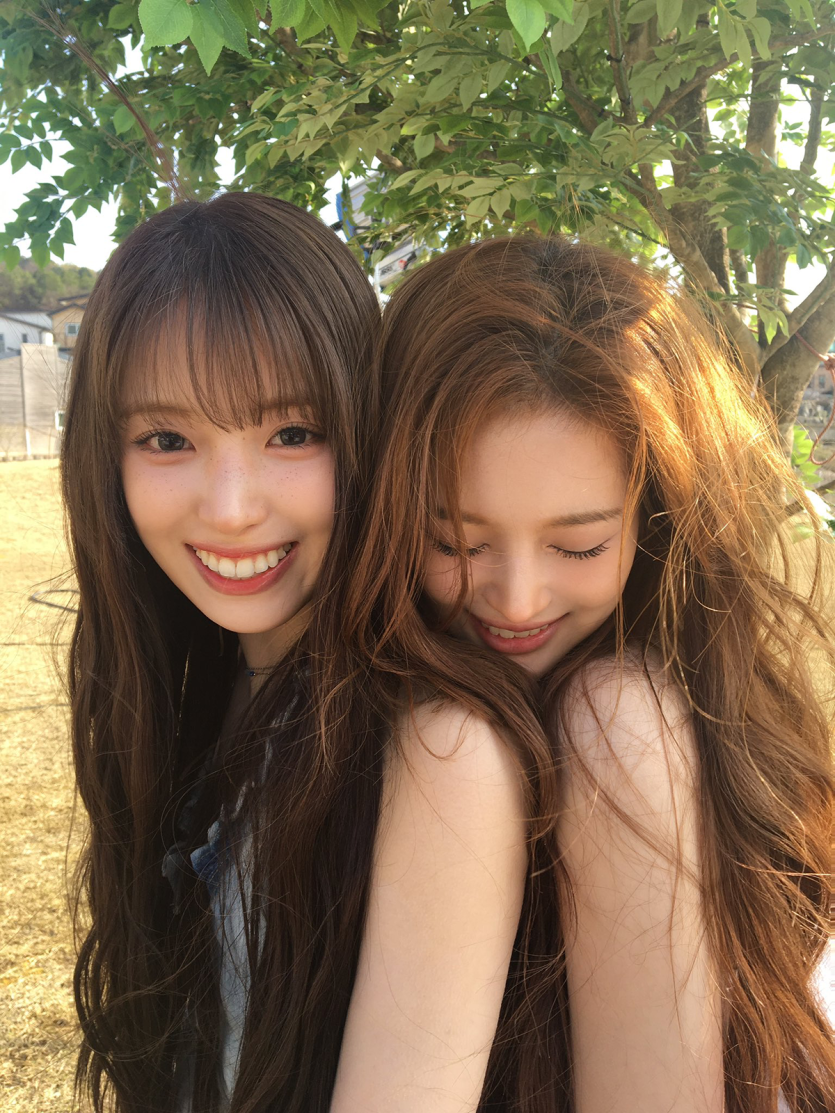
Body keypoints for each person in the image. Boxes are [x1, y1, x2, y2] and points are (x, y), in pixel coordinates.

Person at [61, 194, 543, 1113]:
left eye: (292, 433)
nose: (232, 506)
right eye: (167, 439)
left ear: (364, 428)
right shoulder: (214, 686)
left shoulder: (436, 757)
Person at [344, 234, 835, 1112]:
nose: (515, 598)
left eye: (577, 545)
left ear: (655, 525)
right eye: (453, 540)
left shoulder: (626, 728)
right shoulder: (363, 733)